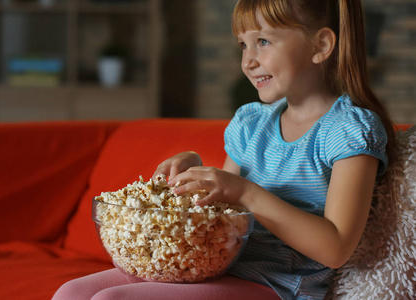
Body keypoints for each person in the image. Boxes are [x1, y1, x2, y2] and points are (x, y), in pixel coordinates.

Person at [52, 0, 396, 299]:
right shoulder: (251, 123)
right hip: (213, 267)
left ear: (321, 44)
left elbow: (336, 248)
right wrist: (196, 174)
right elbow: (223, 212)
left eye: (262, 41)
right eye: (242, 45)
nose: (248, 61)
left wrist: (246, 192)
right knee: (71, 293)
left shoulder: (348, 130)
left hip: (278, 285)